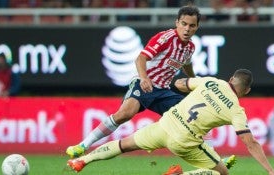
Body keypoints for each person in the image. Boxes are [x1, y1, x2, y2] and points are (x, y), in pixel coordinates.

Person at [67, 69, 274, 175]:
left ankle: (82, 161)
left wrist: (190, 88)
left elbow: (179, 83)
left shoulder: (211, 82)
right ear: (247, 91)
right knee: (221, 173)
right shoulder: (236, 109)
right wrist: (270, 171)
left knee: (124, 144)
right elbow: (250, 142)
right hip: (184, 141)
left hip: (165, 125)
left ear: (231, 78)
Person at [66, 5, 200, 158]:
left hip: (163, 91)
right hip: (145, 83)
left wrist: (194, 83)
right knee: (124, 114)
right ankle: (82, 145)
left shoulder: (190, 48)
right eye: (184, 24)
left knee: (191, 119)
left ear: (197, 27)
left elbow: (187, 66)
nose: (187, 29)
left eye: (192, 25)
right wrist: (144, 78)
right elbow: (141, 58)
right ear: (177, 23)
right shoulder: (166, 38)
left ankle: (213, 159)